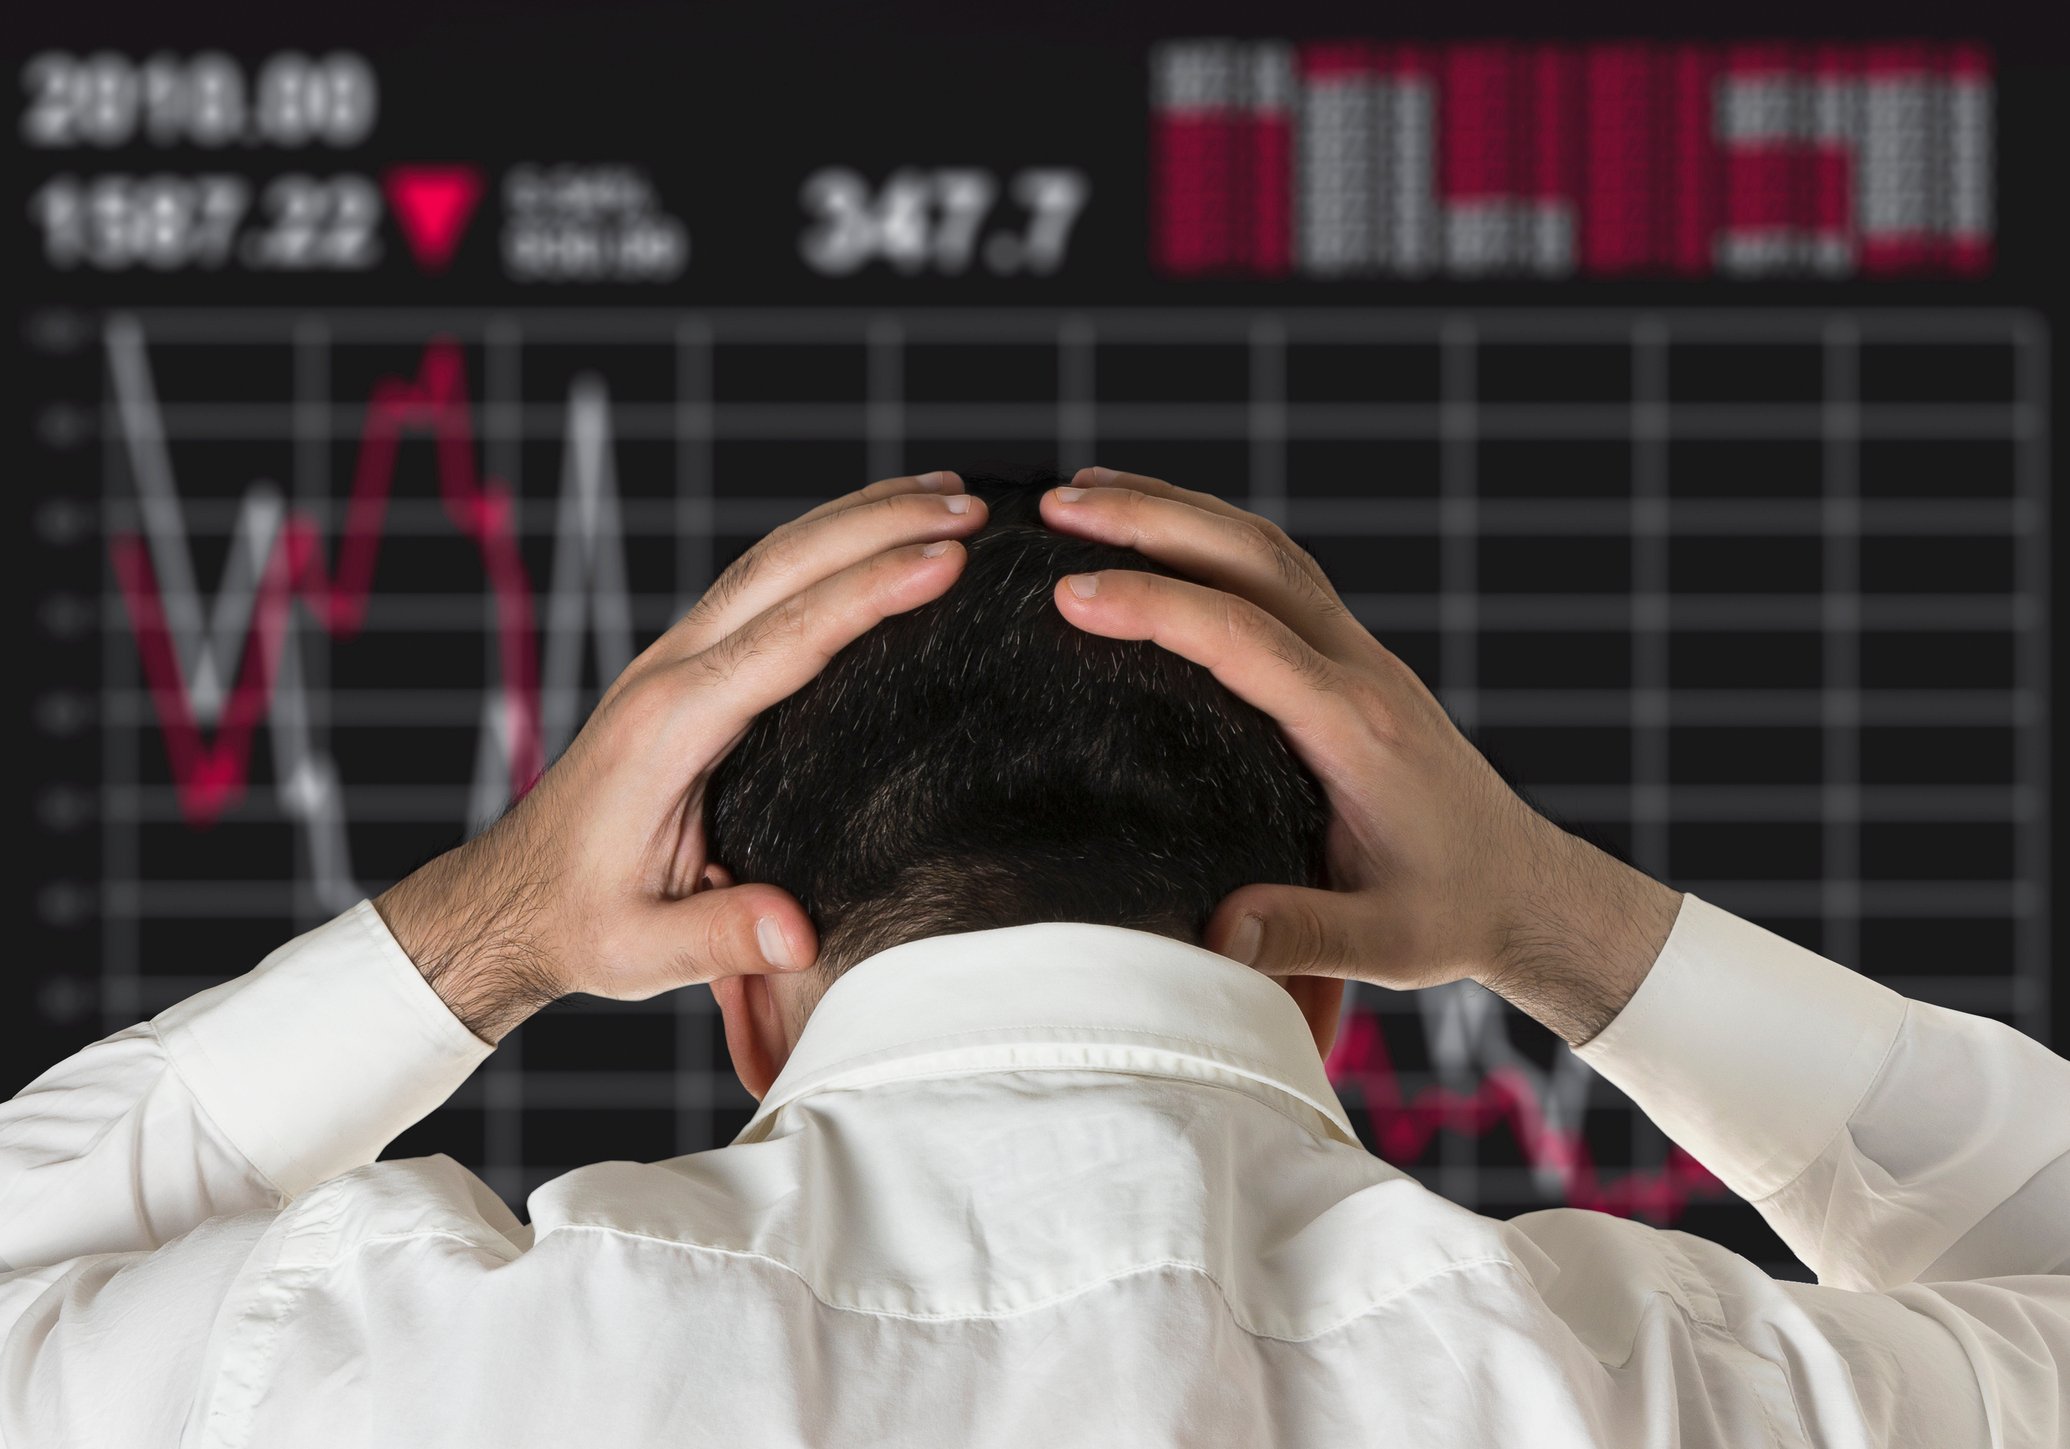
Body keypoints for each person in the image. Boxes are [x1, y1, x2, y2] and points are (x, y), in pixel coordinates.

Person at [1, 468, 2062, 1448]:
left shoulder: (376, 1371)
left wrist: (488, 932)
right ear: (1326, 977)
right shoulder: (1681, 1395)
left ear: (745, 982)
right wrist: (1561, 921)